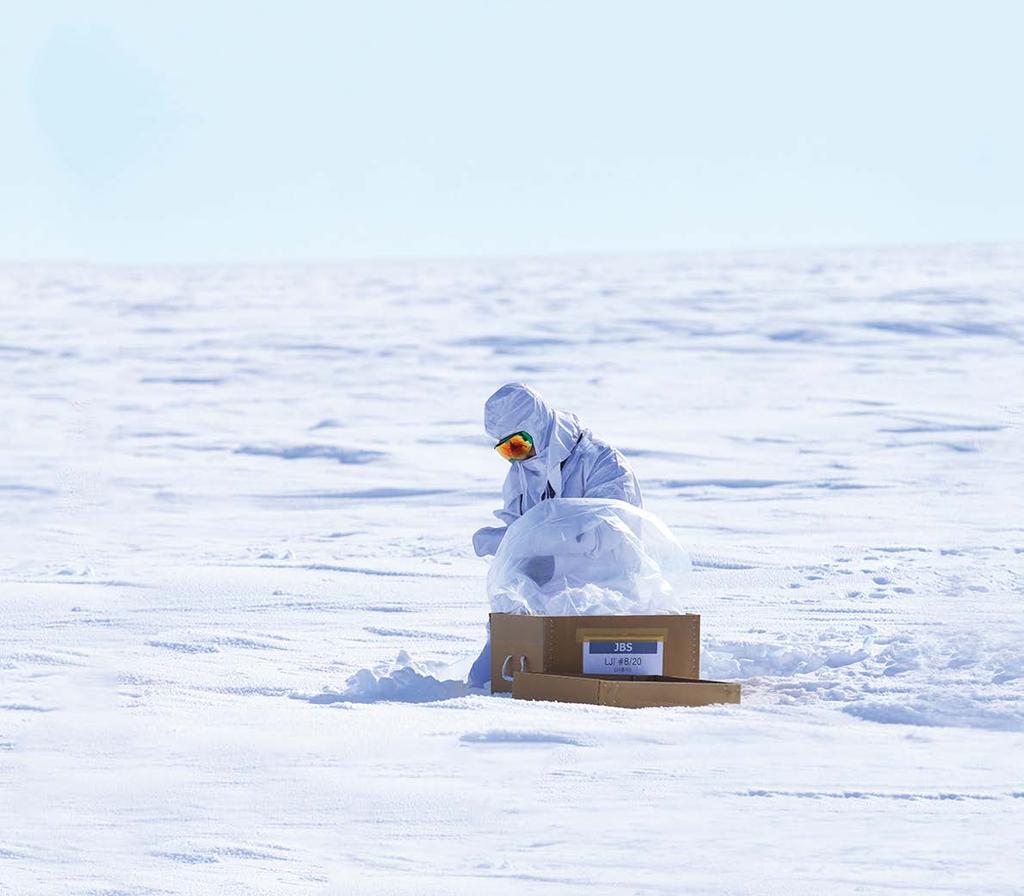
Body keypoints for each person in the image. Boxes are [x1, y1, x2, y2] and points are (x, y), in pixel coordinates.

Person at [467, 383, 643, 686]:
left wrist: (541, 552)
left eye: (519, 444)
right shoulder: (522, 472)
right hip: (541, 601)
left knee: (561, 685)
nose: (516, 457)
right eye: (506, 450)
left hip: (604, 598)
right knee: (482, 681)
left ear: (538, 425)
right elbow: (518, 528)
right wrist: (502, 543)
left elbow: (606, 534)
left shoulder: (602, 463)